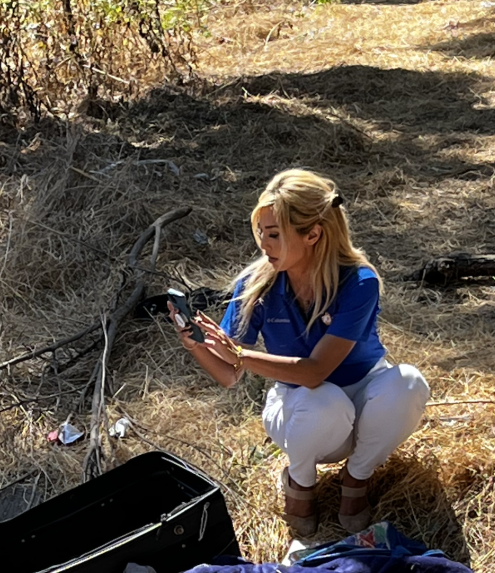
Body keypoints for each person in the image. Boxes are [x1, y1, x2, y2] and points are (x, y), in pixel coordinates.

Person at [169, 168, 430, 538]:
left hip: (361, 391)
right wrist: (195, 344)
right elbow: (229, 374)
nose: (263, 244)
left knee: (409, 384)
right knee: (322, 401)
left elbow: (313, 369)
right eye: (260, 232)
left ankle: (356, 480)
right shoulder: (257, 283)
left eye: (274, 234)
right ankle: (300, 482)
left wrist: (242, 357)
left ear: (313, 234)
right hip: (302, 409)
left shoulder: (358, 281)